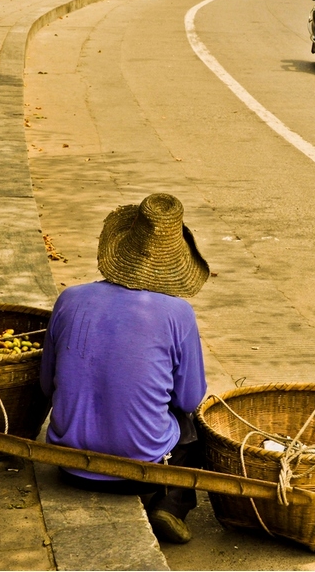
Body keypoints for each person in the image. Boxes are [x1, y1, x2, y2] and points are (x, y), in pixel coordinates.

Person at [40, 192, 211, 545]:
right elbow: (190, 397)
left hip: (68, 463)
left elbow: (46, 386)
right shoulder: (178, 314)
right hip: (138, 473)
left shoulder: (69, 298)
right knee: (194, 428)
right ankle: (172, 502)